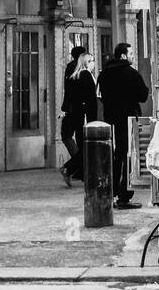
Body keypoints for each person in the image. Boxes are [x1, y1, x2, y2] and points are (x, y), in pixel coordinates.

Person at [97, 43, 148, 209]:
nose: (133, 55)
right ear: (124, 56)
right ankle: (124, 195)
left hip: (110, 119)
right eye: (131, 53)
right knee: (128, 155)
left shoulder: (103, 74)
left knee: (115, 156)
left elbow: (100, 95)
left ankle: (110, 193)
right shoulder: (131, 73)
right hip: (128, 118)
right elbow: (143, 95)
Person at [60, 51, 98, 186]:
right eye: (92, 60)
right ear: (86, 62)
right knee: (87, 147)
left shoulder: (75, 75)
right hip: (86, 116)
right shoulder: (86, 75)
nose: (94, 63)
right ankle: (69, 168)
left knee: (84, 146)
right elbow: (91, 98)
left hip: (77, 114)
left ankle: (76, 170)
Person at [60, 44, 88, 176]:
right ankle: (79, 166)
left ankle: (78, 166)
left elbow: (68, 91)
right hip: (79, 108)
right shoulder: (81, 68)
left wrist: (65, 108)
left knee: (68, 135)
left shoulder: (71, 67)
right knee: (76, 137)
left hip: (73, 108)